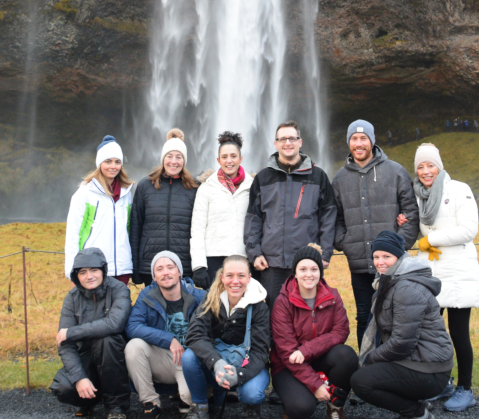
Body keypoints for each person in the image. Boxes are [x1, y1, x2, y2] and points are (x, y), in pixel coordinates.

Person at [350, 231, 454, 419]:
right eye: (376, 257)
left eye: (386, 257)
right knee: (369, 372)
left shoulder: (405, 287)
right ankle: (418, 405)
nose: (380, 262)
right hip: (420, 361)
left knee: (361, 382)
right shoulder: (390, 281)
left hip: (429, 369)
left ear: (399, 257)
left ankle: (416, 414)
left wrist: (371, 358)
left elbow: (402, 343)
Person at [332, 119, 419, 347]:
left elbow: (411, 212)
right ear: (348, 142)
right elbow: (335, 218)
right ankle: (366, 371)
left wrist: (399, 247)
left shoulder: (396, 171)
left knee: (394, 317)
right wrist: (345, 243)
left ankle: (393, 370)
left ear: (372, 140)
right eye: (354, 139)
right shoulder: (340, 179)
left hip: (392, 264)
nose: (358, 144)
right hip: (359, 263)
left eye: (363, 138)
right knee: (363, 317)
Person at [412, 143, 479, 412]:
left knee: (459, 333)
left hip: (459, 271)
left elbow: (469, 230)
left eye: (430, 165)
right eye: (420, 166)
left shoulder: (459, 189)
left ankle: (466, 389)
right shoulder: (418, 195)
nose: (426, 171)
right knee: (430, 332)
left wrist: (431, 238)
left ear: (439, 166)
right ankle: (442, 383)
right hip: (432, 271)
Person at [244, 120, 336, 308]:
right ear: (275, 143)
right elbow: (254, 219)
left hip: (307, 262)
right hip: (271, 263)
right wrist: (255, 253)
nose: (288, 143)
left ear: (300, 142)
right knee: (274, 315)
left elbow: (329, 216)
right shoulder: (263, 178)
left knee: (308, 314)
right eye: (283, 139)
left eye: (292, 138)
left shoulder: (318, 176)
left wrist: (325, 253)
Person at [176, 255, 270, 419]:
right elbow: (194, 335)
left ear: (249, 278)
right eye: (230, 276)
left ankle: (250, 406)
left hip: (248, 365)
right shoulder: (210, 299)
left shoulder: (259, 307)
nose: (235, 281)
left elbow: (261, 352)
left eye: (241, 276)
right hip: (219, 363)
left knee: (252, 393)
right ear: (222, 278)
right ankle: (201, 410)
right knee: (189, 357)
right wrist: (216, 363)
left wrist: (240, 375)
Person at [270, 244, 357, 419]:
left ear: (320, 272)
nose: (308, 274)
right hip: (288, 365)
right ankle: (295, 401)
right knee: (301, 408)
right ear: (294, 273)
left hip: (316, 357)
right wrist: (316, 385)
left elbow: (341, 331)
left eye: (314, 269)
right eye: (303, 269)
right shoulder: (282, 302)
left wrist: (306, 350)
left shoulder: (332, 296)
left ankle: (335, 410)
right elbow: (287, 352)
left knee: (346, 355)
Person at [50, 247, 132, 419]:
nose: (89, 276)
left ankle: (116, 406)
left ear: (103, 270)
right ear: (76, 276)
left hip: (114, 356)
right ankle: (90, 400)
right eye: (83, 272)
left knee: (107, 340)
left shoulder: (119, 290)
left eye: (94, 270)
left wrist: (72, 332)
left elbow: (114, 324)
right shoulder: (71, 298)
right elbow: (65, 344)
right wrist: (79, 377)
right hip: (85, 356)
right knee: (63, 387)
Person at [124, 251, 207, 419]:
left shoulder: (199, 297)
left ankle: (186, 397)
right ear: (154, 276)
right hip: (163, 357)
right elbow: (133, 326)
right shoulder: (147, 296)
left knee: (192, 398)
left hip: (190, 360)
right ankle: (150, 403)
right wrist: (168, 339)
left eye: (170, 267)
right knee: (134, 346)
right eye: (159, 269)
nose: (165, 272)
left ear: (179, 272)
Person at [130, 128, 199, 286]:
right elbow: (135, 228)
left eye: (178, 157)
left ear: (184, 160)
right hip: (152, 266)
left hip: (184, 266)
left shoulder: (194, 188)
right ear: (163, 158)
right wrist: (135, 267)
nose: (173, 161)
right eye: (169, 156)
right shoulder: (145, 186)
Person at [64, 136, 134, 283]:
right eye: (108, 161)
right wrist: (72, 269)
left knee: (120, 306)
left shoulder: (126, 194)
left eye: (117, 162)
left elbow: (128, 230)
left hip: (122, 268)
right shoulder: (85, 193)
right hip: (94, 268)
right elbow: (73, 233)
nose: (113, 166)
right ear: (99, 163)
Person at [191, 132, 253, 289]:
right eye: (224, 157)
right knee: (215, 308)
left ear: (241, 158)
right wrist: (199, 266)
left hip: (244, 258)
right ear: (218, 160)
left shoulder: (253, 187)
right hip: (214, 260)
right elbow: (197, 228)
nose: (229, 161)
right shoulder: (206, 188)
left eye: (233, 156)